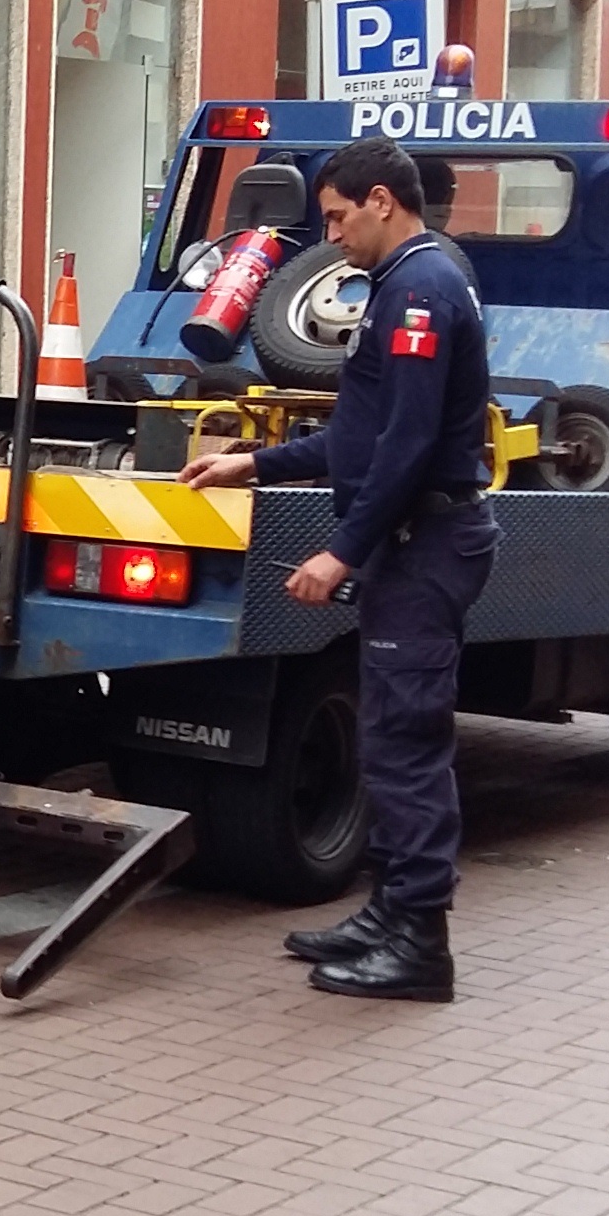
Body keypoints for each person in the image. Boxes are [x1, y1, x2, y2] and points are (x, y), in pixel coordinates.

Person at [178, 137, 494, 1002]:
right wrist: (256, 464)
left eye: (338, 216)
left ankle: (419, 941)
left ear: (383, 201)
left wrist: (341, 548)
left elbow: (408, 444)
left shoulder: (422, 290)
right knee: (390, 739)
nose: (333, 234)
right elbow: (358, 435)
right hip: (413, 544)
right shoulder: (402, 285)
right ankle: (389, 914)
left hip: (425, 544)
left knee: (407, 744)